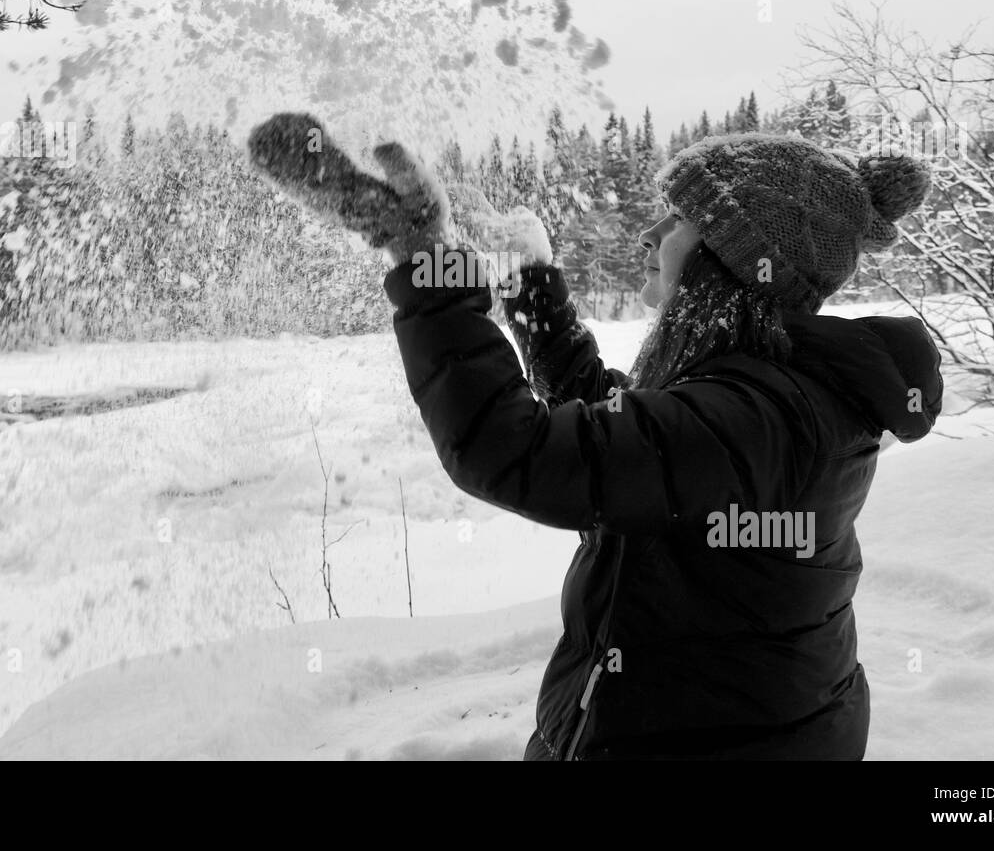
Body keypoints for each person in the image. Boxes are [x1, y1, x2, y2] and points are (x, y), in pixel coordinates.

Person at [247, 116, 944, 761]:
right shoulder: (771, 396)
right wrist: (533, 285)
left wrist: (425, 259)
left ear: (735, 258)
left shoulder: (758, 419)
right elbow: (626, 431)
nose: (651, 234)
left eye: (679, 219)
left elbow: (510, 448)